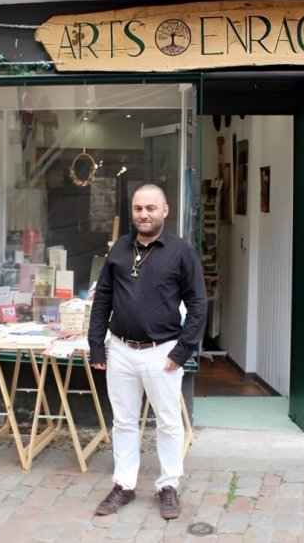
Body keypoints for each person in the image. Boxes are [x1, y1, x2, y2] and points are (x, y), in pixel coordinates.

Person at [87, 183, 207, 520]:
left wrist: (183, 351)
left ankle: (168, 485)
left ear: (165, 211)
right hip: (121, 350)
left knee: (168, 423)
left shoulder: (180, 251)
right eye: (139, 208)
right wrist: (97, 345)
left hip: (163, 352)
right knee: (124, 422)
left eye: (151, 208)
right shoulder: (120, 250)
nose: (144, 214)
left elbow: (198, 305)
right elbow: (103, 301)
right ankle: (124, 485)